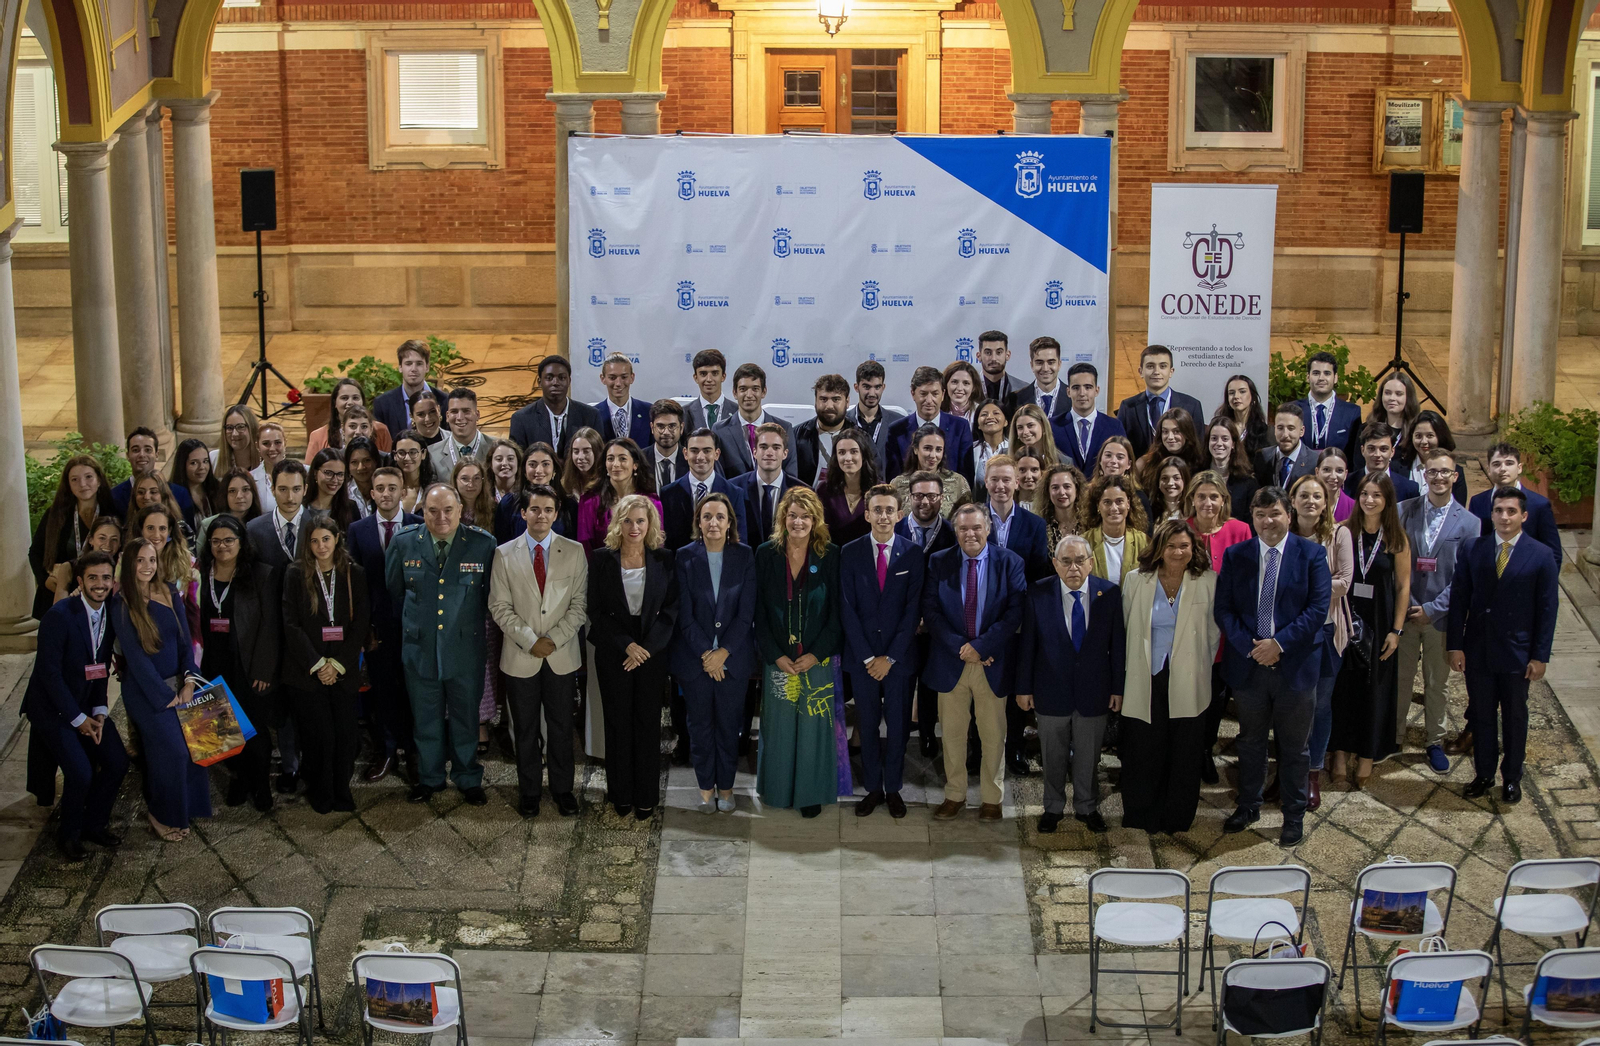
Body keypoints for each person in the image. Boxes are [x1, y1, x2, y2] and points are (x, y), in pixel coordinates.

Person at [1214, 487, 1332, 847]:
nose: (1268, 522)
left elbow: (1317, 609)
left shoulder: (1312, 554)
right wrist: (1253, 649)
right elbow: (1224, 610)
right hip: (1250, 667)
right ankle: (1248, 805)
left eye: (1275, 514)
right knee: (1249, 742)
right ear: (1253, 517)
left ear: (1289, 515)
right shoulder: (1237, 556)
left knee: (1295, 747)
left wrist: (1278, 645)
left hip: (1294, 668)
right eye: (1261, 515)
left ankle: (1293, 814)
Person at [386, 483, 497, 805]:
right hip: (420, 650)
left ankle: (467, 777)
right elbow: (395, 590)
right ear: (422, 512)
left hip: (465, 650)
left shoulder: (481, 544)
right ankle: (430, 779)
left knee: (465, 718)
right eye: (433, 511)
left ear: (461, 510)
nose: (441, 517)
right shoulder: (404, 542)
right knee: (425, 719)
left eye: (449, 510)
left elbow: (491, 595)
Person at [1447, 486, 1558, 804]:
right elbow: (1459, 601)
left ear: (1523, 516)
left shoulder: (1541, 555)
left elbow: (1547, 609)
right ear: (1491, 514)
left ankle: (1511, 777)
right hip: (1479, 649)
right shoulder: (1473, 549)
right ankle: (1483, 774)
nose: (1504, 516)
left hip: (1517, 653)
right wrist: (1455, 645)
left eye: (1511, 511)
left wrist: (1540, 655)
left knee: (1514, 717)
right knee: (1481, 716)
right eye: (1499, 511)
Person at [921, 503, 1026, 820]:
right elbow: (931, 611)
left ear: (988, 528)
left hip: (991, 663)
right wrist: (962, 648)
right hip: (951, 662)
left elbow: (1014, 613)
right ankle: (954, 795)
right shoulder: (939, 562)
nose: (970, 534)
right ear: (956, 530)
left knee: (993, 735)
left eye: (976, 527)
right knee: (952, 735)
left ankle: (992, 799)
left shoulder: (1010, 562)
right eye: (963, 528)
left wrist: (982, 646)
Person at [490, 485, 588, 818]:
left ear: (556, 513)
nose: (541, 516)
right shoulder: (504, 554)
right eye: (534, 509)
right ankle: (529, 791)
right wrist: (531, 640)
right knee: (525, 728)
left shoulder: (574, 551)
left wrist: (553, 640)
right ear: (523, 513)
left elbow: (579, 605)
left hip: (561, 656)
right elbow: (499, 606)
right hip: (521, 656)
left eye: (548, 510)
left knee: (561, 727)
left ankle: (563, 790)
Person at [23, 551, 128, 861]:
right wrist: (78, 718)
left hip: (87, 704)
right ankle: (67, 835)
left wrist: (98, 713)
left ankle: (94, 824)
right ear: (80, 581)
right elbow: (49, 675)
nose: (100, 584)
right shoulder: (59, 616)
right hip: (53, 709)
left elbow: (99, 668)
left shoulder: (111, 613)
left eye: (105, 578)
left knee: (116, 762)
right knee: (80, 772)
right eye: (92, 578)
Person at [1016, 534, 1122, 833]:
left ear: (1091, 563)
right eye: (1066, 561)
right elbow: (1028, 646)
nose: (1073, 567)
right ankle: (1052, 807)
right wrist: (1023, 688)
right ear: (1055, 564)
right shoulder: (1038, 593)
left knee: (1089, 755)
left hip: (1095, 690)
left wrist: (1118, 688)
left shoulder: (1110, 594)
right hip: (1050, 689)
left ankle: (1087, 807)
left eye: (1079, 561)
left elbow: (1119, 646)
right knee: (1052, 754)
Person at [1120, 520, 1218, 834]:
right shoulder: (1137, 580)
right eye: (1171, 545)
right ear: (1159, 548)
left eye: (1184, 546)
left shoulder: (1207, 581)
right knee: (1145, 748)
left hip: (1189, 678)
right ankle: (1142, 814)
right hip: (1146, 676)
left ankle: (1177, 817)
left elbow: (1214, 633)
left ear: (1194, 549)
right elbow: (1125, 626)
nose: (1177, 552)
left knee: (1185, 750)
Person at [754, 487, 844, 816]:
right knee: (778, 728)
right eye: (792, 515)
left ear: (815, 519)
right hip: (779, 658)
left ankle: (809, 795)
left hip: (816, 659)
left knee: (813, 729)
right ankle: (777, 791)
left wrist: (817, 653)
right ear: (783, 518)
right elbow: (758, 611)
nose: (798, 522)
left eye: (805, 516)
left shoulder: (830, 554)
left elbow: (837, 614)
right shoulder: (766, 553)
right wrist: (775, 653)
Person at [588, 495, 678, 818]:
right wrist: (627, 645)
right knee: (617, 723)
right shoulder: (601, 559)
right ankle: (620, 795)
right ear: (618, 524)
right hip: (615, 652)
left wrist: (646, 649)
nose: (635, 527)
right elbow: (595, 611)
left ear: (650, 523)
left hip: (652, 654)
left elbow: (670, 610)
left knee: (647, 723)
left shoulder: (665, 559)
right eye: (628, 521)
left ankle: (646, 796)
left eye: (641, 521)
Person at [114, 538, 210, 841]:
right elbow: (136, 658)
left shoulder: (169, 591)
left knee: (200, 745)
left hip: (181, 684)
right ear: (129, 564)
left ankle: (188, 808)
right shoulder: (122, 602)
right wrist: (165, 696)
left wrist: (190, 681)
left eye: (152, 560)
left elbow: (185, 641)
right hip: (147, 693)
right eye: (140, 560)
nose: (147, 566)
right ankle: (161, 813)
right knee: (173, 751)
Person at [838, 484, 924, 818]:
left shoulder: (912, 553)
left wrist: (889, 658)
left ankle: (894, 789)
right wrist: (868, 657)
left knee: (899, 727)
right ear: (867, 513)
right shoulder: (850, 552)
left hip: (898, 661)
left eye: (890, 510)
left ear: (900, 514)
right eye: (877, 509)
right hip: (863, 660)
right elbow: (847, 609)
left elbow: (912, 610)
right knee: (868, 724)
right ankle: (873, 787)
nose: (883, 516)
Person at [673, 492, 758, 813]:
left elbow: (746, 613)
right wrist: (708, 654)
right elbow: (684, 615)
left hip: (733, 661)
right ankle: (705, 788)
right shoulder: (683, 557)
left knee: (728, 726)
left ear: (729, 523)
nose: (713, 523)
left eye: (720, 517)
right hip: (695, 662)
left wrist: (723, 652)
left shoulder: (744, 555)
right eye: (706, 517)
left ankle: (727, 787)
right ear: (698, 522)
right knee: (700, 728)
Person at [1396, 450, 1480, 772]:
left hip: (1441, 618)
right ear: (1424, 475)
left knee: (1436, 683)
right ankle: (1396, 735)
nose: (1439, 478)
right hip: (1406, 612)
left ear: (1455, 476)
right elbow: (1396, 564)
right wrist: (1408, 605)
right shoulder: (1404, 511)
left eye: (1445, 472)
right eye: (1433, 472)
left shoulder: (1471, 523)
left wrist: (1431, 609)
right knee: (1401, 679)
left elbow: (1464, 578)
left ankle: (1434, 741)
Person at [281, 515, 369, 814]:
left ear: (337, 540)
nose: (321, 546)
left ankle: (341, 790)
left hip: (343, 670)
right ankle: (320, 791)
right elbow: (290, 625)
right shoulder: (295, 574)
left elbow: (360, 624)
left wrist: (338, 664)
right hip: (308, 671)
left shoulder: (353, 573)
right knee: (320, 737)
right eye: (315, 541)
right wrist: (319, 664)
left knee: (345, 735)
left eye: (326, 539)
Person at [1327, 472, 1410, 789]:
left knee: (1374, 692)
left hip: (1379, 621)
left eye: (1377, 495)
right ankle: (1339, 753)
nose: (1370, 500)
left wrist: (1397, 630)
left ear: (1387, 499)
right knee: (1343, 690)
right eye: (1364, 494)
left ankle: (1365, 756)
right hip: (1346, 619)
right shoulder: (1344, 531)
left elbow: (1403, 587)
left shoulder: (1397, 538)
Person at [196, 516, 280, 811]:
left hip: (248, 664)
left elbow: (271, 626)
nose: (222, 546)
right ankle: (239, 779)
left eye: (229, 540)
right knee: (220, 731)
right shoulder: (198, 574)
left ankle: (260, 785)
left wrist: (263, 669)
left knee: (254, 732)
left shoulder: (260, 574)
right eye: (216, 541)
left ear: (241, 543)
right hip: (210, 664)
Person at [245, 458, 313, 792]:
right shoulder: (255, 530)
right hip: (271, 633)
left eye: (296, 489)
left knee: (310, 703)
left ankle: (312, 765)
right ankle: (289, 766)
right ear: (272, 488)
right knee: (281, 706)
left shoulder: (320, 524)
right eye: (282, 489)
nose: (289, 496)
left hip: (310, 632)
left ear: (305, 488)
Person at [348, 466, 420, 782]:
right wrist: (364, 628)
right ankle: (387, 749)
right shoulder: (358, 530)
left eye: (393, 487)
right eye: (380, 488)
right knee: (383, 691)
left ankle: (416, 753)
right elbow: (354, 584)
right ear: (372, 493)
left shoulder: (419, 526)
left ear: (403, 491)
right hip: (377, 628)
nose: (386, 493)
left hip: (413, 625)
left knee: (414, 689)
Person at [1288, 474, 1351, 811]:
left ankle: (1312, 773)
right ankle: (1288, 772)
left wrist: (1307, 590)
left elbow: (1345, 580)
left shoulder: (1339, 534)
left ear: (1326, 503)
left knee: (1321, 704)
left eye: (1317, 496)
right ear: (1293, 500)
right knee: (1290, 705)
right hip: (1289, 634)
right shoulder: (1282, 535)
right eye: (1304, 495)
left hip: (1326, 631)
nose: (1311, 501)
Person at [1189, 470, 1254, 785]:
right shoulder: (1181, 530)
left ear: (1224, 500)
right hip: (1189, 628)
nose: (1207, 502)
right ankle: (1189, 746)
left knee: (1217, 694)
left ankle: (1204, 748)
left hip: (1227, 629)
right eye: (1201, 496)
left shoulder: (1240, 530)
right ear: (1192, 500)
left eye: (1214, 496)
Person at [896, 470, 957, 758]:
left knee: (931, 684)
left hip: (937, 624)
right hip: (901, 624)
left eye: (931, 496)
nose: (924, 501)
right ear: (909, 497)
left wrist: (929, 618)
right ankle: (899, 734)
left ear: (941, 498)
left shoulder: (953, 535)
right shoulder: (895, 531)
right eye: (918, 495)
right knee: (903, 682)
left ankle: (929, 733)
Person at [30, 455, 119, 623]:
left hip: (100, 593)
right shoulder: (56, 515)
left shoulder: (112, 513)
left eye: (88, 477)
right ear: (68, 485)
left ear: (99, 480)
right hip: (59, 591)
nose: (82, 484)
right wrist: (45, 581)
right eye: (75, 480)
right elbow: (35, 552)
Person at [1467, 442, 1562, 567]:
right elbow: (1473, 544)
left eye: (1509, 463)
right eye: (1496, 464)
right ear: (1488, 469)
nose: (1503, 469)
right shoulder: (1478, 502)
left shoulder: (1539, 505)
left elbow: (1553, 553)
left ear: (1519, 468)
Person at [661, 428, 746, 550]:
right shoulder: (668, 494)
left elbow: (739, 541)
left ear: (716, 454)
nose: (700, 457)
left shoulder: (734, 493)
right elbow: (669, 542)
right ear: (685, 453)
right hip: (682, 566)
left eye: (707, 451)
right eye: (694, 451)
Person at [886, 366, 975, 482]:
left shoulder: (960, 427)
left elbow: (966, 476)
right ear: (913, 393)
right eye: (923, 394)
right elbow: (893, 478)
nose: (929, 400)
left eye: (934, 394)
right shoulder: (896, 430)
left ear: (943, 394)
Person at [1116, 345, 1205, 460]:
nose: (1156, 372)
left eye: (1163, 366)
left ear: (1171, 371)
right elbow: (1121, 447)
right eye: (1150, 366)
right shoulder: (1128, 407)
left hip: (1181, 474)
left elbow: (1198, 449)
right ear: (1141, 371)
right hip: (1140, 474)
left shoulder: (1191, 406)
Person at [712, 362, 798, 478]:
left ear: (763, 392)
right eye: (743, 389)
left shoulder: (785, 428)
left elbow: (790, 477)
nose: (749, 395)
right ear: (734, 393)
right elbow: (719, 479)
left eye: (755, 389)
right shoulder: (720, 431)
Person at [576, 439, 660, 555]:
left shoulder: (652, 501)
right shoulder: (588, 501)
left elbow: (656, 542)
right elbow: (585, 546)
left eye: (622, 459)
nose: (615, 464)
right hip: (601, 568)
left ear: (635, 465)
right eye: (610, 459)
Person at [730, 423, 806, 548]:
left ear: (785, 453)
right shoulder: (733, 488)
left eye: (776, 448)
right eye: (763, 447)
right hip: (747, 561)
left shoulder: (803, 491)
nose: (769, 453)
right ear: (755, 452)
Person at [509, 354, 600, 456]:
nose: (555, 382)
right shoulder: (521, 419)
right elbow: (518, 462)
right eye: (549, 378)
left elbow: (598, 458)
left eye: (562, 378)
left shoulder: (591, 416)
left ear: (569, 381)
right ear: (539, 382)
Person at [1055, 362, 1124, 474]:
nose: (1082, 393)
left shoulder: (1114, 427)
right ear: (1068, 392)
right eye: (1076, 388)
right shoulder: (1053, 426)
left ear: (1096, 391)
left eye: (1088, 387)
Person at [889, 425, 972, 519]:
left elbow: (968, 519)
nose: (933, 455)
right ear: (916, 449)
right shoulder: (898, 483)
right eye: (927, 448)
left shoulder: (958, 481)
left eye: (938, 450)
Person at [110, 428, 194, 519]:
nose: (142, 455)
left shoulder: (180, 494)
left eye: (148, 450)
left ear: (157, 454)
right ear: (128, 455)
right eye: (135, 450)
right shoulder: (114, 496)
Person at [1294, 351, 1363, 461]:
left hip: (1337, 476)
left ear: (1335, 378)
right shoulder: (1293, 410)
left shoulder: (1351, 413)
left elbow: (1354, 456)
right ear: (1308, 377)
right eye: (1316, 373)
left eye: (1327, 373)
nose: (1321, 378)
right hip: (1302, 475)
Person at [1082, 473, 1149, 584]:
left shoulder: (1144, 542)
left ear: (1128, 503)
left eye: (1119, 501)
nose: (1114, 508)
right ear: (1098, 506)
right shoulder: (1084, 543)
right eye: (1107, 502)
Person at [306, 377, 394, 459]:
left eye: (355, 398)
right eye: (344, 398)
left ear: (362, 401)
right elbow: (310, 471)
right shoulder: (317, 436)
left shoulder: (381, 430)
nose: (350, 402)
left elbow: (390, 464)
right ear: (334, 403)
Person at [371, 339, 445, 436]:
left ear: (427, 367)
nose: (413, 369)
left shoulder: (444, 401)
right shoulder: (383, 404)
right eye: (408, 364)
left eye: (419, 364)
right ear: (400, 367)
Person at [818, 428, 878, 547]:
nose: (848, 458)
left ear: (863, 455)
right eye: (841, 452)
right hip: (834, 559)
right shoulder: (824, 490)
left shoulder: (878, 490)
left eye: (854, 451)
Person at [1401, 411, 1469, 506]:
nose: (1424, 441)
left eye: (1430, 436)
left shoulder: (1456, 471)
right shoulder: (1397, 468)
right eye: (1418, 436)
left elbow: (1458, 511)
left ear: (1440, 436)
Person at [794, 374, 851, 486]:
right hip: (806, 501)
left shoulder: (862, 438)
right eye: (823, 399)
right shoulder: (797, 436)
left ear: (847, 402)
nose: (829, 406)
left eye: (836, 399)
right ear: (815, 401)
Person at [1346, 421, 1420, 502]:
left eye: (1383, 449)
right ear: (1362, 450)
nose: (1377, 454)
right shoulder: (1346, 483)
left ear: (1392, 452)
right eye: (1371, 448)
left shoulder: (1409, 489)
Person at [1203, 416, 1259, 524]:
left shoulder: (1248, 482)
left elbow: (1251, 522)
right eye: (1214, 438)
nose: (1219, 443)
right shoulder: (1196, 475)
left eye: (1225, 439)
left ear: (1233, 444)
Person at [1134, 408, 1204, 493]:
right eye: (1165, 432)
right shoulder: (1145, 463)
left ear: (1187, 433)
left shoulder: (1200, 463)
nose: (1170, 437)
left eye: (1176, 431)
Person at [430, 388, 494, 478]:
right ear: (447, 416)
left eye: (466, 411)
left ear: (477, 415)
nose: (459, 417)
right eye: (454, 412)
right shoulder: (433, 454)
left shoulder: (496, 449)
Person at [595, 353, 654, 447]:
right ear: (603, 379)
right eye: (612, 378)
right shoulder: (593, 415)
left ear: (632, 377)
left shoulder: (649, 411)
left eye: (624, 377)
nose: (618, 383)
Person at [846, 360, 895, 472]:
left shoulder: (897, 422)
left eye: (877, 387)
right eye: (867, 387)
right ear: (856, 387)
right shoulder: (844, 422)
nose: (872, 393)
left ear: (883, 387)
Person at [1253, 404, 1315, 491]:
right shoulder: (1262, 456)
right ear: (1274, 430)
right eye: (1280, 428)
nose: (1285, 435)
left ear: (1301, 431)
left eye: (1291, 428)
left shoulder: (1314, 461)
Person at [1214, 374, 1272, 459]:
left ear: (1253, 397)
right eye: (1231, 393)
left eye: (1242, 391)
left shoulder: (1263, 430)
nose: (1236, 396)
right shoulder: (1220, 426)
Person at [1013, 335, 1071, 420]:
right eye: (1039, 363)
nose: (1045, 369)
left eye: (1051, 362)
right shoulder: (1016, 399)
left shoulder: (1073, 397)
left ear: (1059, 364)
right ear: (1032, 365)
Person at [1036, 463, 1086, 556]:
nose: (1062, 492)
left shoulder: (1089, 523)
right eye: (1055, 487)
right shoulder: (1040, 527)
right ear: (1048, 492)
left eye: (1067, 486)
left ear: (1077, 489)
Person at [684, 349, 738, 433]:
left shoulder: (737, 412)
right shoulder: (684, 413)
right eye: (703, 374)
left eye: (715, 373)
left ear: (723, 376)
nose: (709, 379)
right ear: (696, 378)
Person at [975, 329, 1029, 414]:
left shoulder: (1024, 390)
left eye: (999, 352)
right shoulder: (968, 390)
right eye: (988, 353)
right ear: (979, 356)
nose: (993, 358)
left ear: (1007, 355)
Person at [171, 438, 219, 530]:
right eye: (194, 463)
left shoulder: (217, 489)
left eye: (205, 461)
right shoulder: (173, 495)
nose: (202, 467)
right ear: (182, 465)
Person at [1369, 373, 1420, 458]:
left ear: (1408, 397)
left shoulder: (1416, 432)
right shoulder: (1368, 429)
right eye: (1387, 393)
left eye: (1399, 394)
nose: (1392, 398)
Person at [306, 449, 358, 530]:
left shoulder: (351, 508)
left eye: (340, 474)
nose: (335, 480)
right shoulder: (301, 506)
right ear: (315, 473)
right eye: (328, 473)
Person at [643, 398, 688, 491]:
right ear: (652, 428)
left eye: (672, 426)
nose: (666, 432)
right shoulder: (640, 459)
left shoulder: (691, 460)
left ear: (681, 428)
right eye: (660, 426)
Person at [203, 468, 263, 536]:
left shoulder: (263, 525)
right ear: (225, 495)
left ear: (253, 493)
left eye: (245, 489)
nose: (239, 496)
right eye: (232, 491)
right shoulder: (207, 525)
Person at [391, 431, 437, 515]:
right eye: (401, 453)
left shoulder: (434, 489)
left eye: (413, 452)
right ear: (395, 455)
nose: (407, 458)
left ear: (423, 454)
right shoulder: (388, 489)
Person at [1009, 404, 1068, 469]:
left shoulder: (1063, 461)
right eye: (1020, 427)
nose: (1025, 432)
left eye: (1030, 425)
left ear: (1043, 426)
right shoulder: (1008, 459)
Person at [971, 400, 1010, 491]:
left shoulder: (1014, 449)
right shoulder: (970, 451)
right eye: (984, 414)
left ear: (1006, 422)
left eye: (996, 413)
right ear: (978, 425)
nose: (990, 417)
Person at [213, 404, 261, 476]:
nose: (234, 434)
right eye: (229, 428)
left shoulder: (264, 460)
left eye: (241, 427)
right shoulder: (214, 459)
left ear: (252, 428)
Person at [251, 422, 289, 508]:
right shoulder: (250, 479)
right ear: (257, 446)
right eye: (266, 443)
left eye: (278, 442)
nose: (272, 448)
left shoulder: (304, 472)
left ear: (285, 444)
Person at [452, 459, 497, 531]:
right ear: (455, 480)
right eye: (464, 479)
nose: (471, 484)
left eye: (476, 478)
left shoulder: (494, 509)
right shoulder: (446, 510)